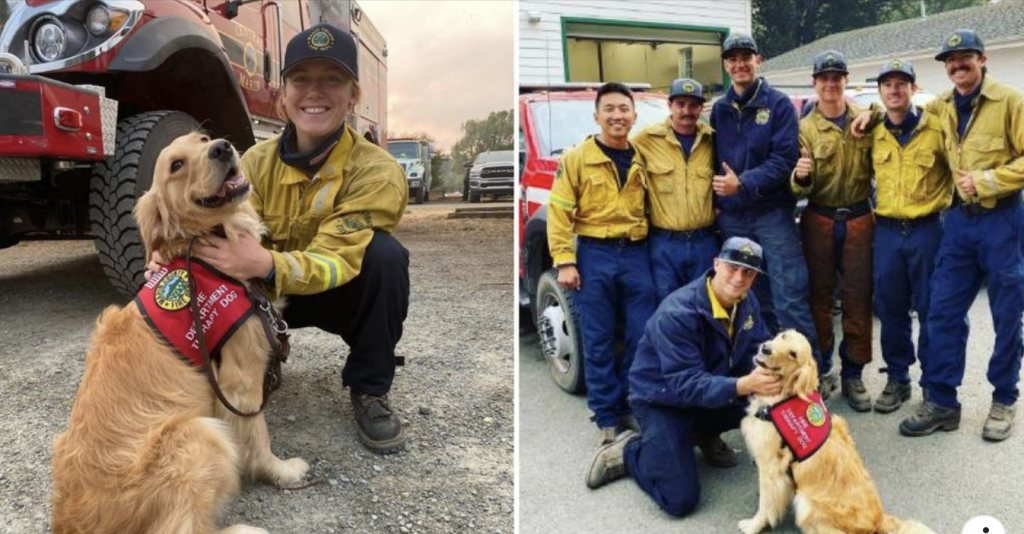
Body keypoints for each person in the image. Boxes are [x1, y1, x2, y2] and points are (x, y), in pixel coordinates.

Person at [147, 23, 411, 454]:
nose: (315, 92)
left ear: (354, 95)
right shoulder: (253, 161)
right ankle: (233, 374)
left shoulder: (378, 171)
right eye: (301, 79)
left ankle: (370, 387)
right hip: (262, 295)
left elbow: (339, 258)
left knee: (385, 257)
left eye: (332, 79)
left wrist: (266, 265)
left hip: (335, 291)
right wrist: (169, 258)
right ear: (283, 93)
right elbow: (207, 226)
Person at [585, 237, 777, 517]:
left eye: (748, 272)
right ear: (716, 264)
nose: (739, 278)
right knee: (680, 500)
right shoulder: (678, 312)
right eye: (732, 267)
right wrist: (744, 385)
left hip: (709, 387)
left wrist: (787, 374)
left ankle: (702, 433)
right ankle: (630, 452)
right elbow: (686, 385)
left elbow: (759, 348)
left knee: (770, 403)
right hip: (664, 399)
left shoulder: (746, 302)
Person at [896, 29, 1024, 441]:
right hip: (959, 225)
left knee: (1007, 316)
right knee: (942, 312)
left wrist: (988, 180)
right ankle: (942, 402)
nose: (957, 65)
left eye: (965, 57)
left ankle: (1004, 398)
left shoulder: (1010, 102)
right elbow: (903, 115)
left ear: (982, 60)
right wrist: (869, 114)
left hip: (1002, 222)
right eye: (951, 60)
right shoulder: (941, 107)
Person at [708, 34, 826, 392]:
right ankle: (767, 378)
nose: (739, 64)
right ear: (726, 64)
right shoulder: (719, 108)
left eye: (746, 57)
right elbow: (711, 159)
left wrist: (741, 183)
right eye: (732, 58)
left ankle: (809, 379)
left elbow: (783, 161)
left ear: (758, 60)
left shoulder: (776, 105)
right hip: (732, 218)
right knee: (751, 299)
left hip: (772, 214)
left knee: (790, 296)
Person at [547, 82, 658, 445]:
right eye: (609, 109)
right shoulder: (577, 159)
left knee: (641, 336)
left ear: (634, 115)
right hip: (595, 255)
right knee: (598, 339)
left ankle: (631, 405)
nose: (617, 116)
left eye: (623, 109)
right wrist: (565, 261)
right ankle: (607, 418)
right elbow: (559, 213)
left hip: (638, 254)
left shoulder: (644, 156)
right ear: (596, 115)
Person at [867, 58, 952, 414]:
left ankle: (933, 384)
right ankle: (897, 378)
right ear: (881, 91)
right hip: (886, 232)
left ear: (914, 89)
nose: (894, 90)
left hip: (927, 230)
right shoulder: (872, 131)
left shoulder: (936, 128)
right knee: (890, 308)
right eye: (888, 84)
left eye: (902, 83)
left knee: (933, 309)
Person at [791, 50, 874, 411]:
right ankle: (823, 368)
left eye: (837, 77)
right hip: (820, 219)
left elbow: (899, 119)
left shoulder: (867, 120)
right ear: (814, 83)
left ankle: (853, 373)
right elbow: (797, 187)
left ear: (845, 80)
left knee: (858, 297)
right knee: (819, 298)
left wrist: (878, 113)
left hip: (858, 217)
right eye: (823, 78)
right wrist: (801, 176)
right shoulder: (803, 128)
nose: (830, 84)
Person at [632, 78, 718, 301]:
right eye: (680, 104)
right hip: (665, 245)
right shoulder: (646, 139)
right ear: (669, 105)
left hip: (704, 243)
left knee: (705, 304)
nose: (686, 111)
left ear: (701, 108)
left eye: (693, 105)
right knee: (668, 308)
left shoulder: (712, 139)